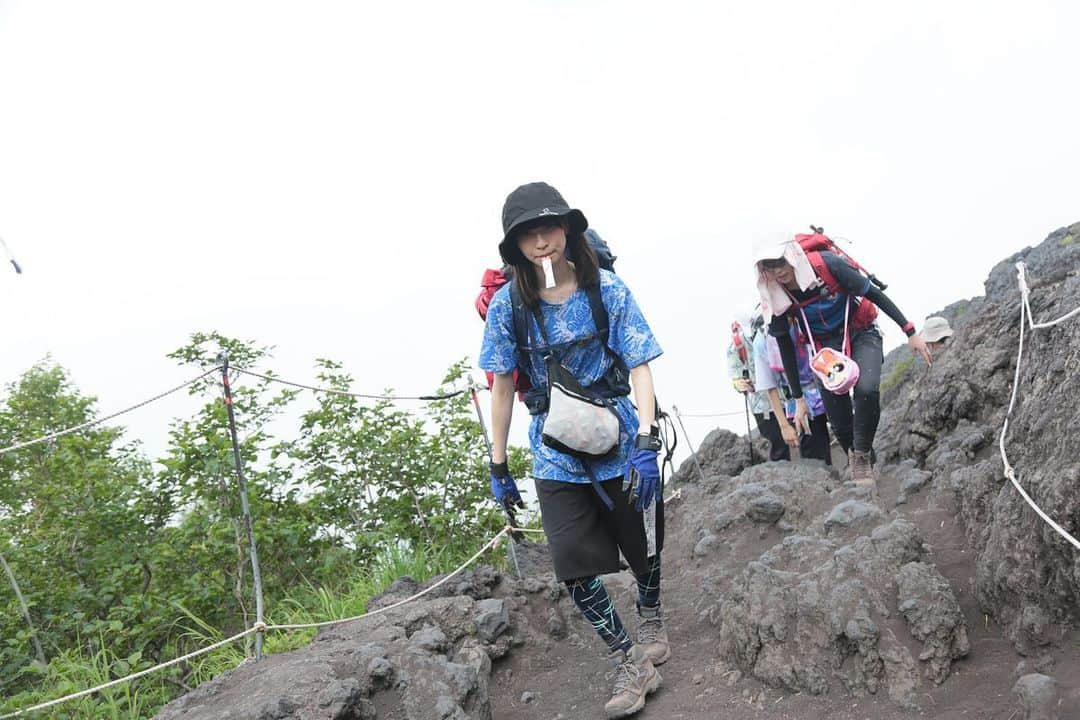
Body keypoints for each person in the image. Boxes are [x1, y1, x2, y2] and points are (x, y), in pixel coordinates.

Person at [479, 182, 666, 719]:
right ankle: (628, 658)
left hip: (619, 435)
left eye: (549, 228)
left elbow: (639, 364)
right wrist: (498, 463)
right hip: (555, 447)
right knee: (572, 564)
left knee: (644, 542)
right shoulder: (505, 307)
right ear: (514, 247)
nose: (541, 241)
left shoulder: (607, 290)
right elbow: (502, 385)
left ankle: (651, 613)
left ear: (568, 230)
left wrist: (648, 440)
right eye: (527, 234)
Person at [754, 233, 931, 489]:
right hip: (824, 349)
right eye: (769, 266)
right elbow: (786, 349)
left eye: (780, 262)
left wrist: (910, 331)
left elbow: (874, 294)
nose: (778, 271)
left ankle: (859, 458)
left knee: (866, 390)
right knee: (838, 418)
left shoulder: (827, 265)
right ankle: (863, 455)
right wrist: (798, 399)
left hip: (860, 332)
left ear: (791, 255)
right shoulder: (776, 295)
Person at [751, 315, 833, 464]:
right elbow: (770, 387)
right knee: (813, 453)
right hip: (797, 404)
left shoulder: (801, 320)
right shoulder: (762, 341)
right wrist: (784, 426)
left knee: (833, 438)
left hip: (825, 387)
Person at [727, 312, 789, 461]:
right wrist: (739, 383)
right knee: (777, 445)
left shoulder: (773, 330)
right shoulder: (738, 344)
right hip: (762, 405)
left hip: (786, 396)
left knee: (800, 437)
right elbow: (734, 375)